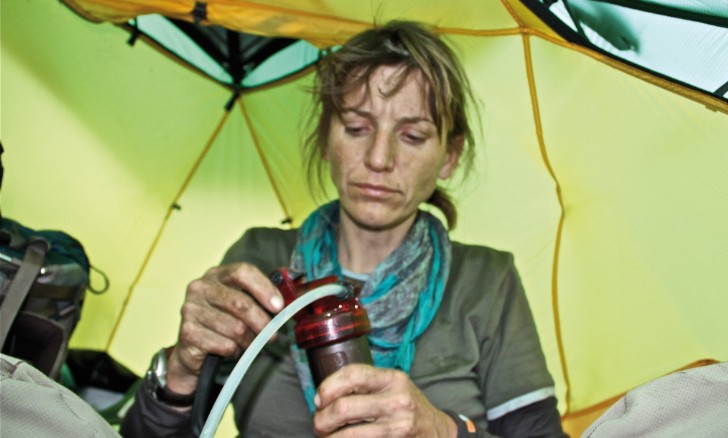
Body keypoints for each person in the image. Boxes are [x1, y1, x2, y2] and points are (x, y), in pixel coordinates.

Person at [121, 20, 566, 437]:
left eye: (412, 136)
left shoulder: (487, 282)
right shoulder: (258, 263)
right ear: (326, 136)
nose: (379, 158)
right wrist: (182, 368)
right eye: (356, 127)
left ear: (449, 156)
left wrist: (441, 429)